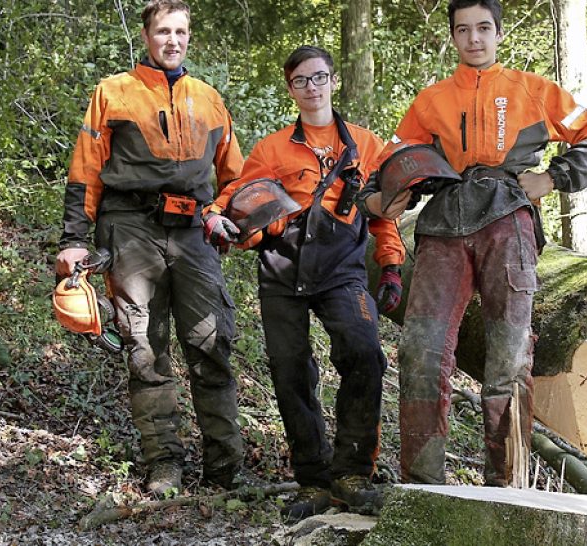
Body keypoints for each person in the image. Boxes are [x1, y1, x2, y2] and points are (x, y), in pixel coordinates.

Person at [356, 0, 587, 487]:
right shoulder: (431, 100)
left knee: (510, 357)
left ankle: (507, 485)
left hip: (508, 219)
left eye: (482, 28)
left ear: (498, 33)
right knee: (421, 351)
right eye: (463, 30)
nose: (473, 38)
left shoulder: (533, 90)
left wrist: (553, 177)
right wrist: (379, 199)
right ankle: (423, 488)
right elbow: (391, 163)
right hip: (442, 225)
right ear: (453, 37)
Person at [54, 0, 246, 496]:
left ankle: (225, 469)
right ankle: (164, 464)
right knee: (144, 347)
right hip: (129, 227)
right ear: (146, 36)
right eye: (163, 31)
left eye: (180, 31)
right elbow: (85, 171)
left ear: (189, 37)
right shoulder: (113, 92)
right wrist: (74, 239)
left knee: (212, 342)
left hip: (194, 231)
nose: (172, 40)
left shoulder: (209, 99)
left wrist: (229, 215)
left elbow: (235, 177)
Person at [207, 45, 405, 521]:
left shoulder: (366, 145)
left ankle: (353, 475)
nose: (311, 87)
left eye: (318, 77)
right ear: (290, 89)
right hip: (282, 267)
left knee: (364, 353)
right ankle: (313, 480)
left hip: (342, 269)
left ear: (333, 81)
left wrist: (391, 265)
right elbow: (236, 194)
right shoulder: (272, 149)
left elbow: (384, 212)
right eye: (301, 81)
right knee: (290, 371)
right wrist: (214, 216)